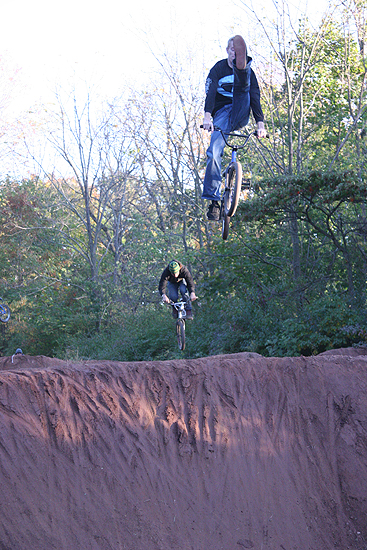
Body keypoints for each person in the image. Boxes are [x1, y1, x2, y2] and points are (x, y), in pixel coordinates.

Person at [202, 35, 267, 220]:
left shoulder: (251, 74)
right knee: (213, 152)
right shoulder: (218, 68)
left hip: (240, 110)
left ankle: (242, 71)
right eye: (233, 50)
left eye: (238, 51)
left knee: (244, 91)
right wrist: (208, 117)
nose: (234, 52)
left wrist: (260, 125)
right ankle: (214, 201)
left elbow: (255, 97)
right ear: (227, 51)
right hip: (221, 113)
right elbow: (211, 93)